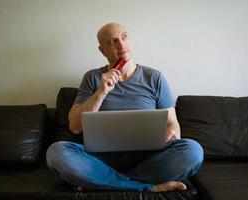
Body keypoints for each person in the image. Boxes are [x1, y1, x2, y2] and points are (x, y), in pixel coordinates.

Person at [46, 22, 203, 192]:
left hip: (146, 159)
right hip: (100, 160)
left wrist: (172, 134)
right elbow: (75, 127)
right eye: (112, 41)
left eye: (124, 37)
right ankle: (147, 186)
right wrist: (101, 92)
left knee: (193, 150)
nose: (121, 45)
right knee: (56, 152)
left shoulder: (154, 77)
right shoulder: (92, 78)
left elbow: (173, 123)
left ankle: (101, 182)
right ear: (102, 50)